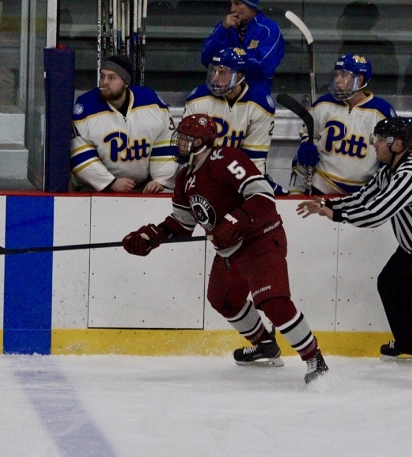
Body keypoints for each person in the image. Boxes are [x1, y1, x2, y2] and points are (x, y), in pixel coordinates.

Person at [122, 113, 328, 383]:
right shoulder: (184, 178)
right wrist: (152, 236)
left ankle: (315, 359)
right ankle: (265, 345)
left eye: (185, 139)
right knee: (224, 300)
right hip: (229, 251)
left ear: (200, 141)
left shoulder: (226, 159)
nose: (179, 145)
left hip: (260, 240)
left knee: (273, 301)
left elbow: (262, 196)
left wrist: (234, 220)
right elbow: (182, 226)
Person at [297, 117, 412, 391]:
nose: (374, 144)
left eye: (380, 139)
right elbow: (365, 198)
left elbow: (377, 213)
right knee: (390, 283)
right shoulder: (389, 171)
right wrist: (327, 203)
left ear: (397, 144)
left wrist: (335, 215)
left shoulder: (410, 174)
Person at [289, 54, 397, 195]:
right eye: (336, 75)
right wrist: (306, 146)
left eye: (344, 75)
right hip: (321, 187)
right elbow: (309, 134)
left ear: (359, 80)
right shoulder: (323, 104)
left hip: (362, 195)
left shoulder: (382, 112)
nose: (337, 80)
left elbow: (392, 151)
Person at [70, 55, 178, 193]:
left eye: (112, 77)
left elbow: (164, 143)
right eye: (102, 76)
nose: (104, 82)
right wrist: (109, 182)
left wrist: (160, 180)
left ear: (126, 83)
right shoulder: (85, 107)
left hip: (143, 187)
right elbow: (78, 152)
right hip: (96, 189)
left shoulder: (151, 103)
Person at [183, 47, 284, 192]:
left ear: (239, 76)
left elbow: (254, 159)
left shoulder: (259, 104)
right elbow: (187, 150)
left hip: (238, 176)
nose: (215, 78)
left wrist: (250, 186)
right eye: (214, 71)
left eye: (222, 73)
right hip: (201, 174)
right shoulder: (197, 99)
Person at [200, 0, 284, 95]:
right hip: (222, 94)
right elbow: (206, 59)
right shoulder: (224, 26)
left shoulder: (269, 29)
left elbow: (264, 66)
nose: (232, 9)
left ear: (251, 5)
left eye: (237, 3)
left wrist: (233, 60)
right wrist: (222, 30)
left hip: (255, 96)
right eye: (231, 4)